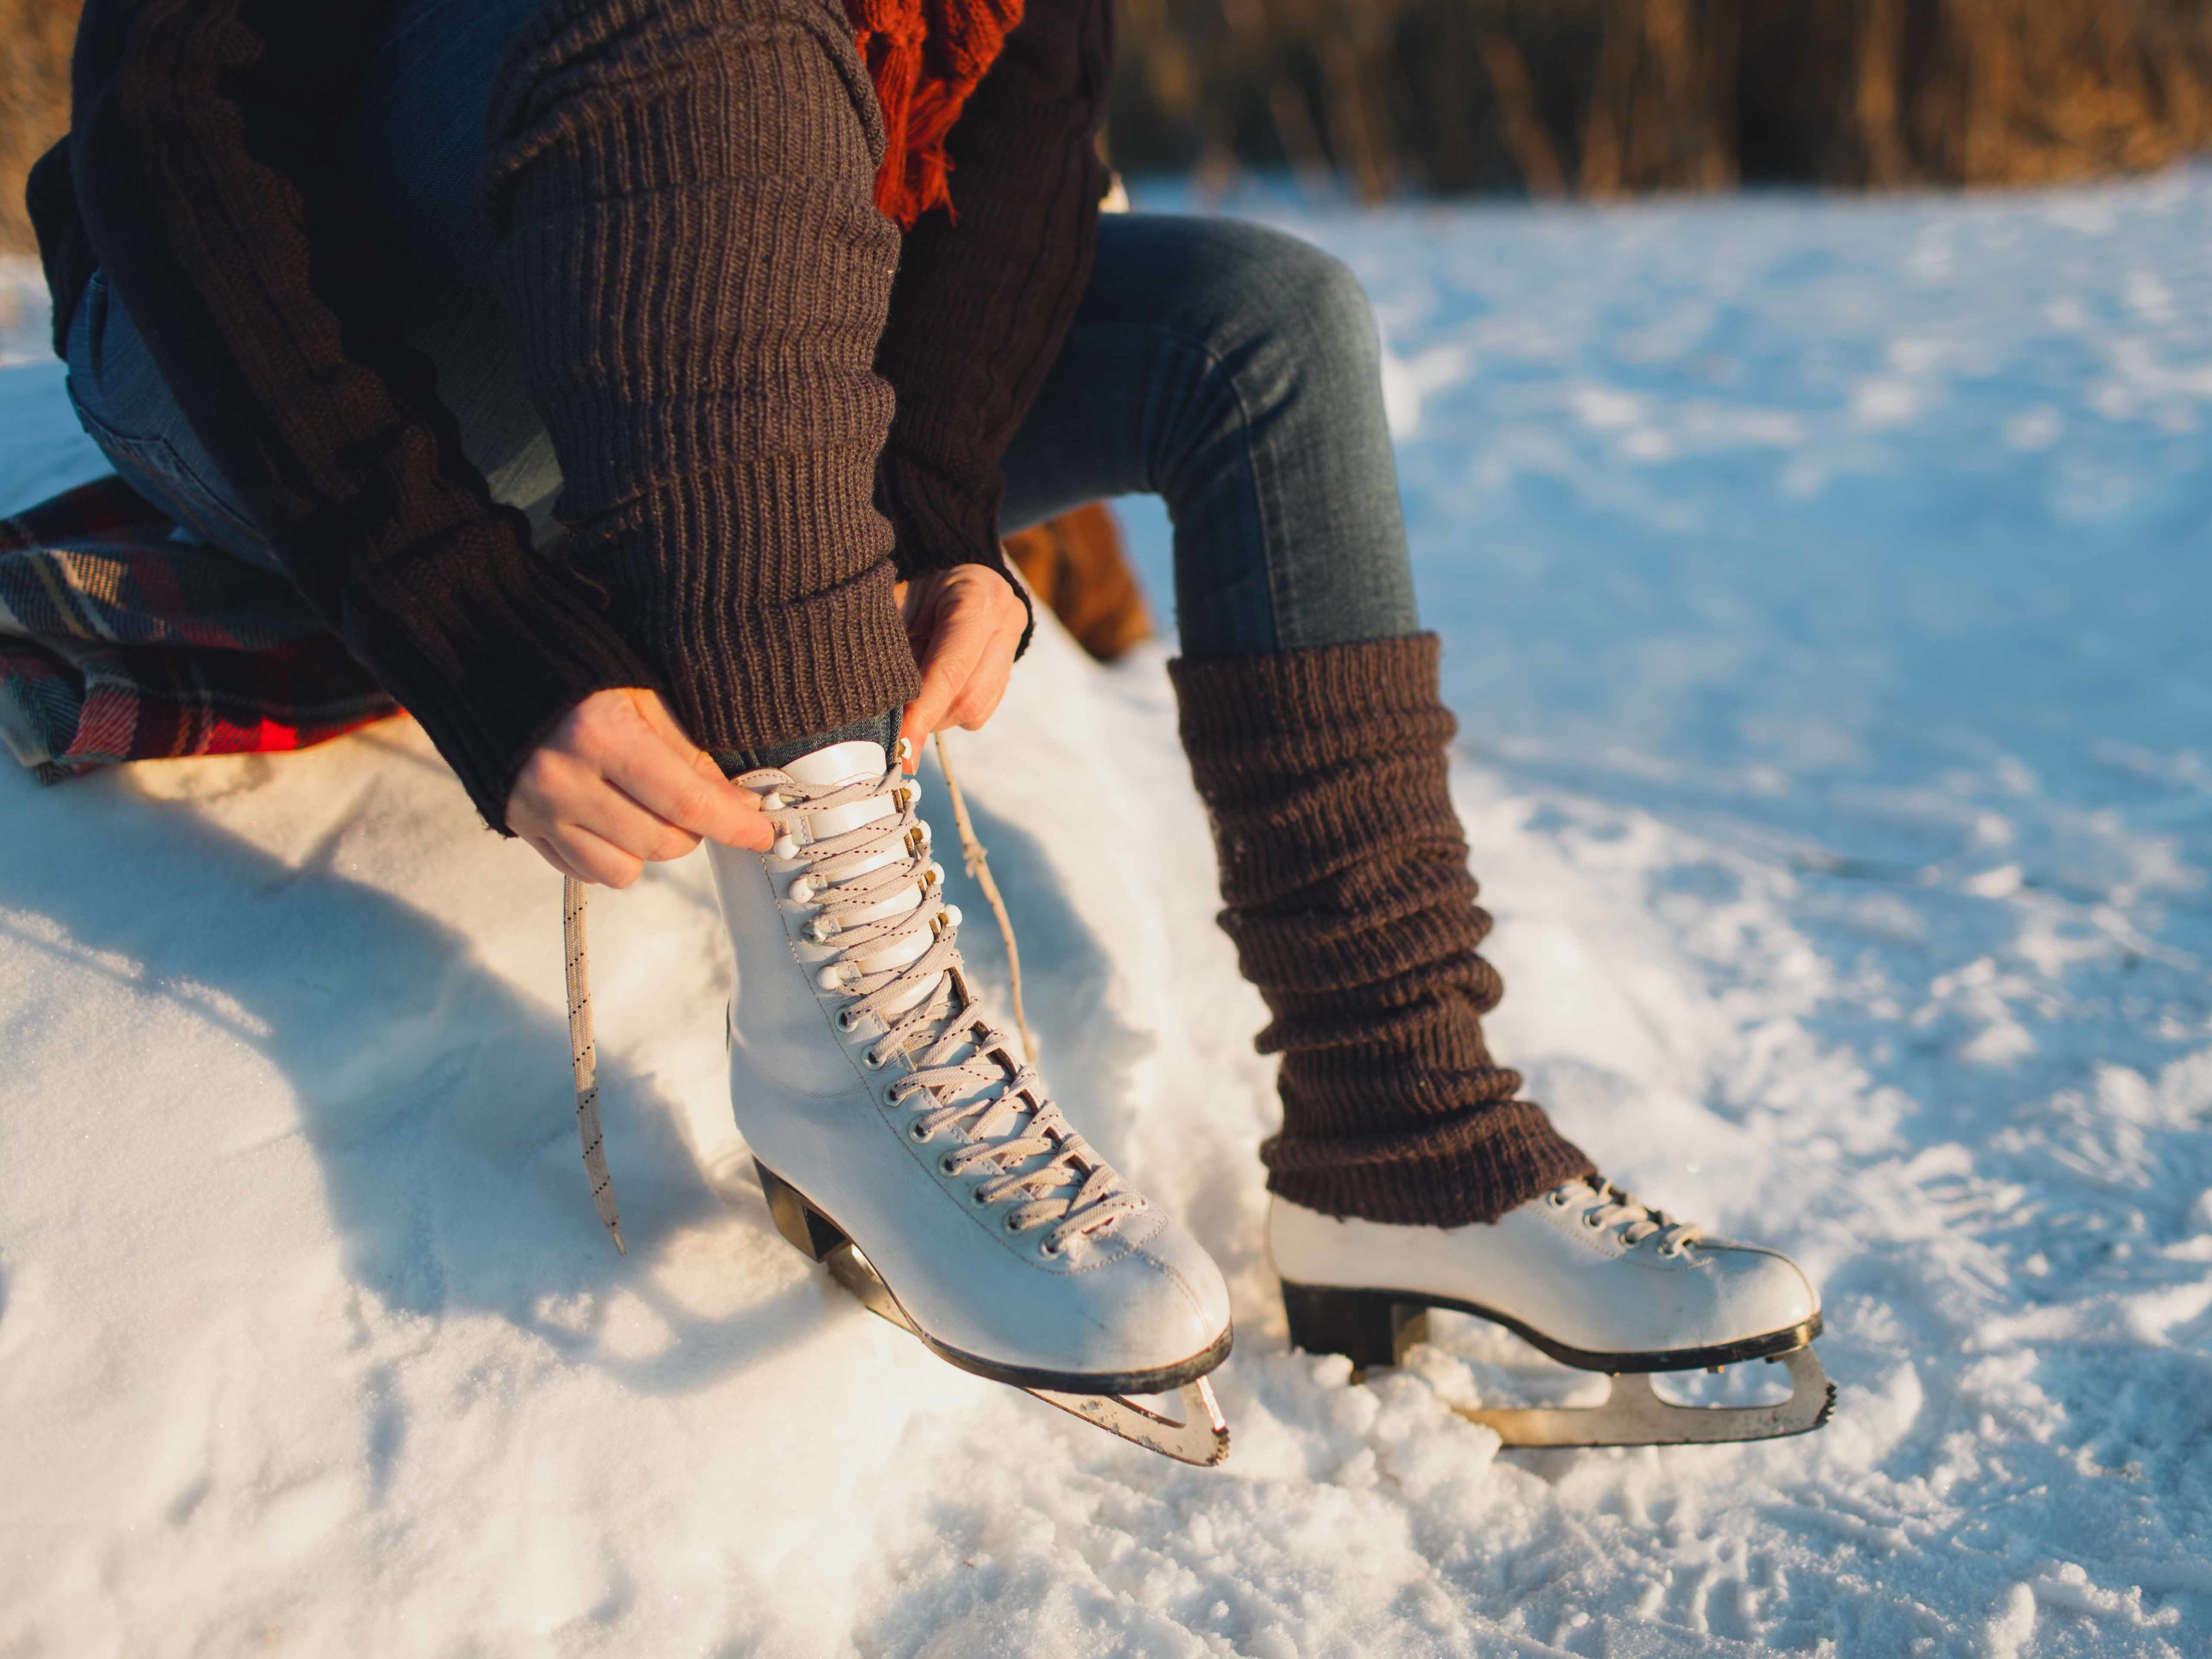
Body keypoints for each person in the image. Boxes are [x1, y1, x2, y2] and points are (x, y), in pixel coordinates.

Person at [28, 0, 1826, 1449]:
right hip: (300, 352)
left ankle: (1405, 1137)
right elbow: (173, 126)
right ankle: (841, 1061)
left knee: (1266, 327)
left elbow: (1026, 163)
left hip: (758, 326)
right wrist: (455, 614)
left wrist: (938, 514)